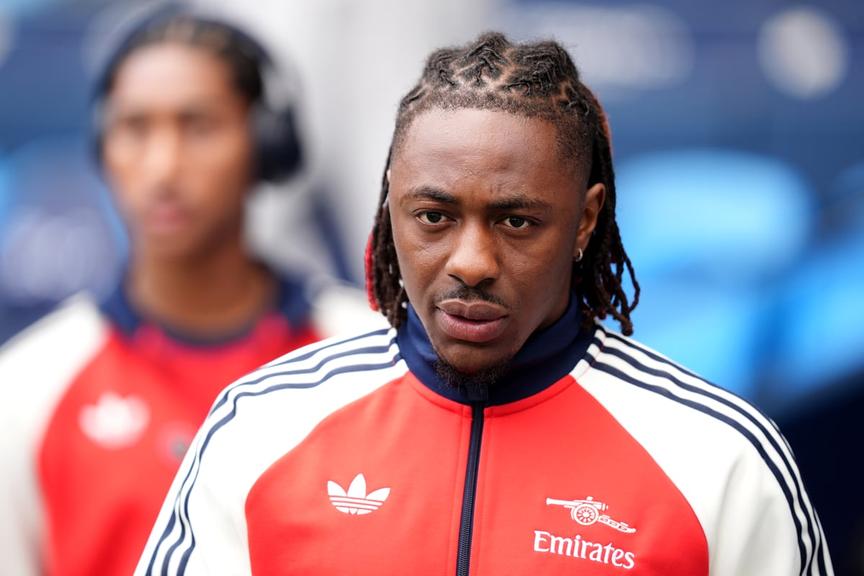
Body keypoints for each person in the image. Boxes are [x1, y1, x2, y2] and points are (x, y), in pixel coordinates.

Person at [138, 32, 832, 575]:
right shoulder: (261, 426)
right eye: (434, 217)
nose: (471, 262)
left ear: (586, 220)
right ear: (392, 206)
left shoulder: (720, 461)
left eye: (517, 221)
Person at [0, 8, 379, 576]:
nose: (163, 167)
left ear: (266, 145)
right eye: (135, 128)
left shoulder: (371, 357)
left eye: (198, 127)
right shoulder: (28, 387)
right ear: (103, 148)